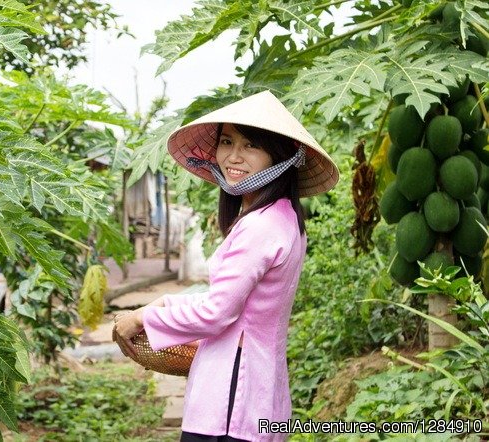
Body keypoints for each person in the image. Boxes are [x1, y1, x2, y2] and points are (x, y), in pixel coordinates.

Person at [113, 91, 338, 441]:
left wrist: (142, 318)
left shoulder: (260, 225)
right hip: (257, 390)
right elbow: (234, 301)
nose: (233, 156)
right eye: (227, 141)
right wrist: (161, 304)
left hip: (233, 400)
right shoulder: (281, 218)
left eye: (251, 146)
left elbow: (217, 313)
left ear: (279, 157)